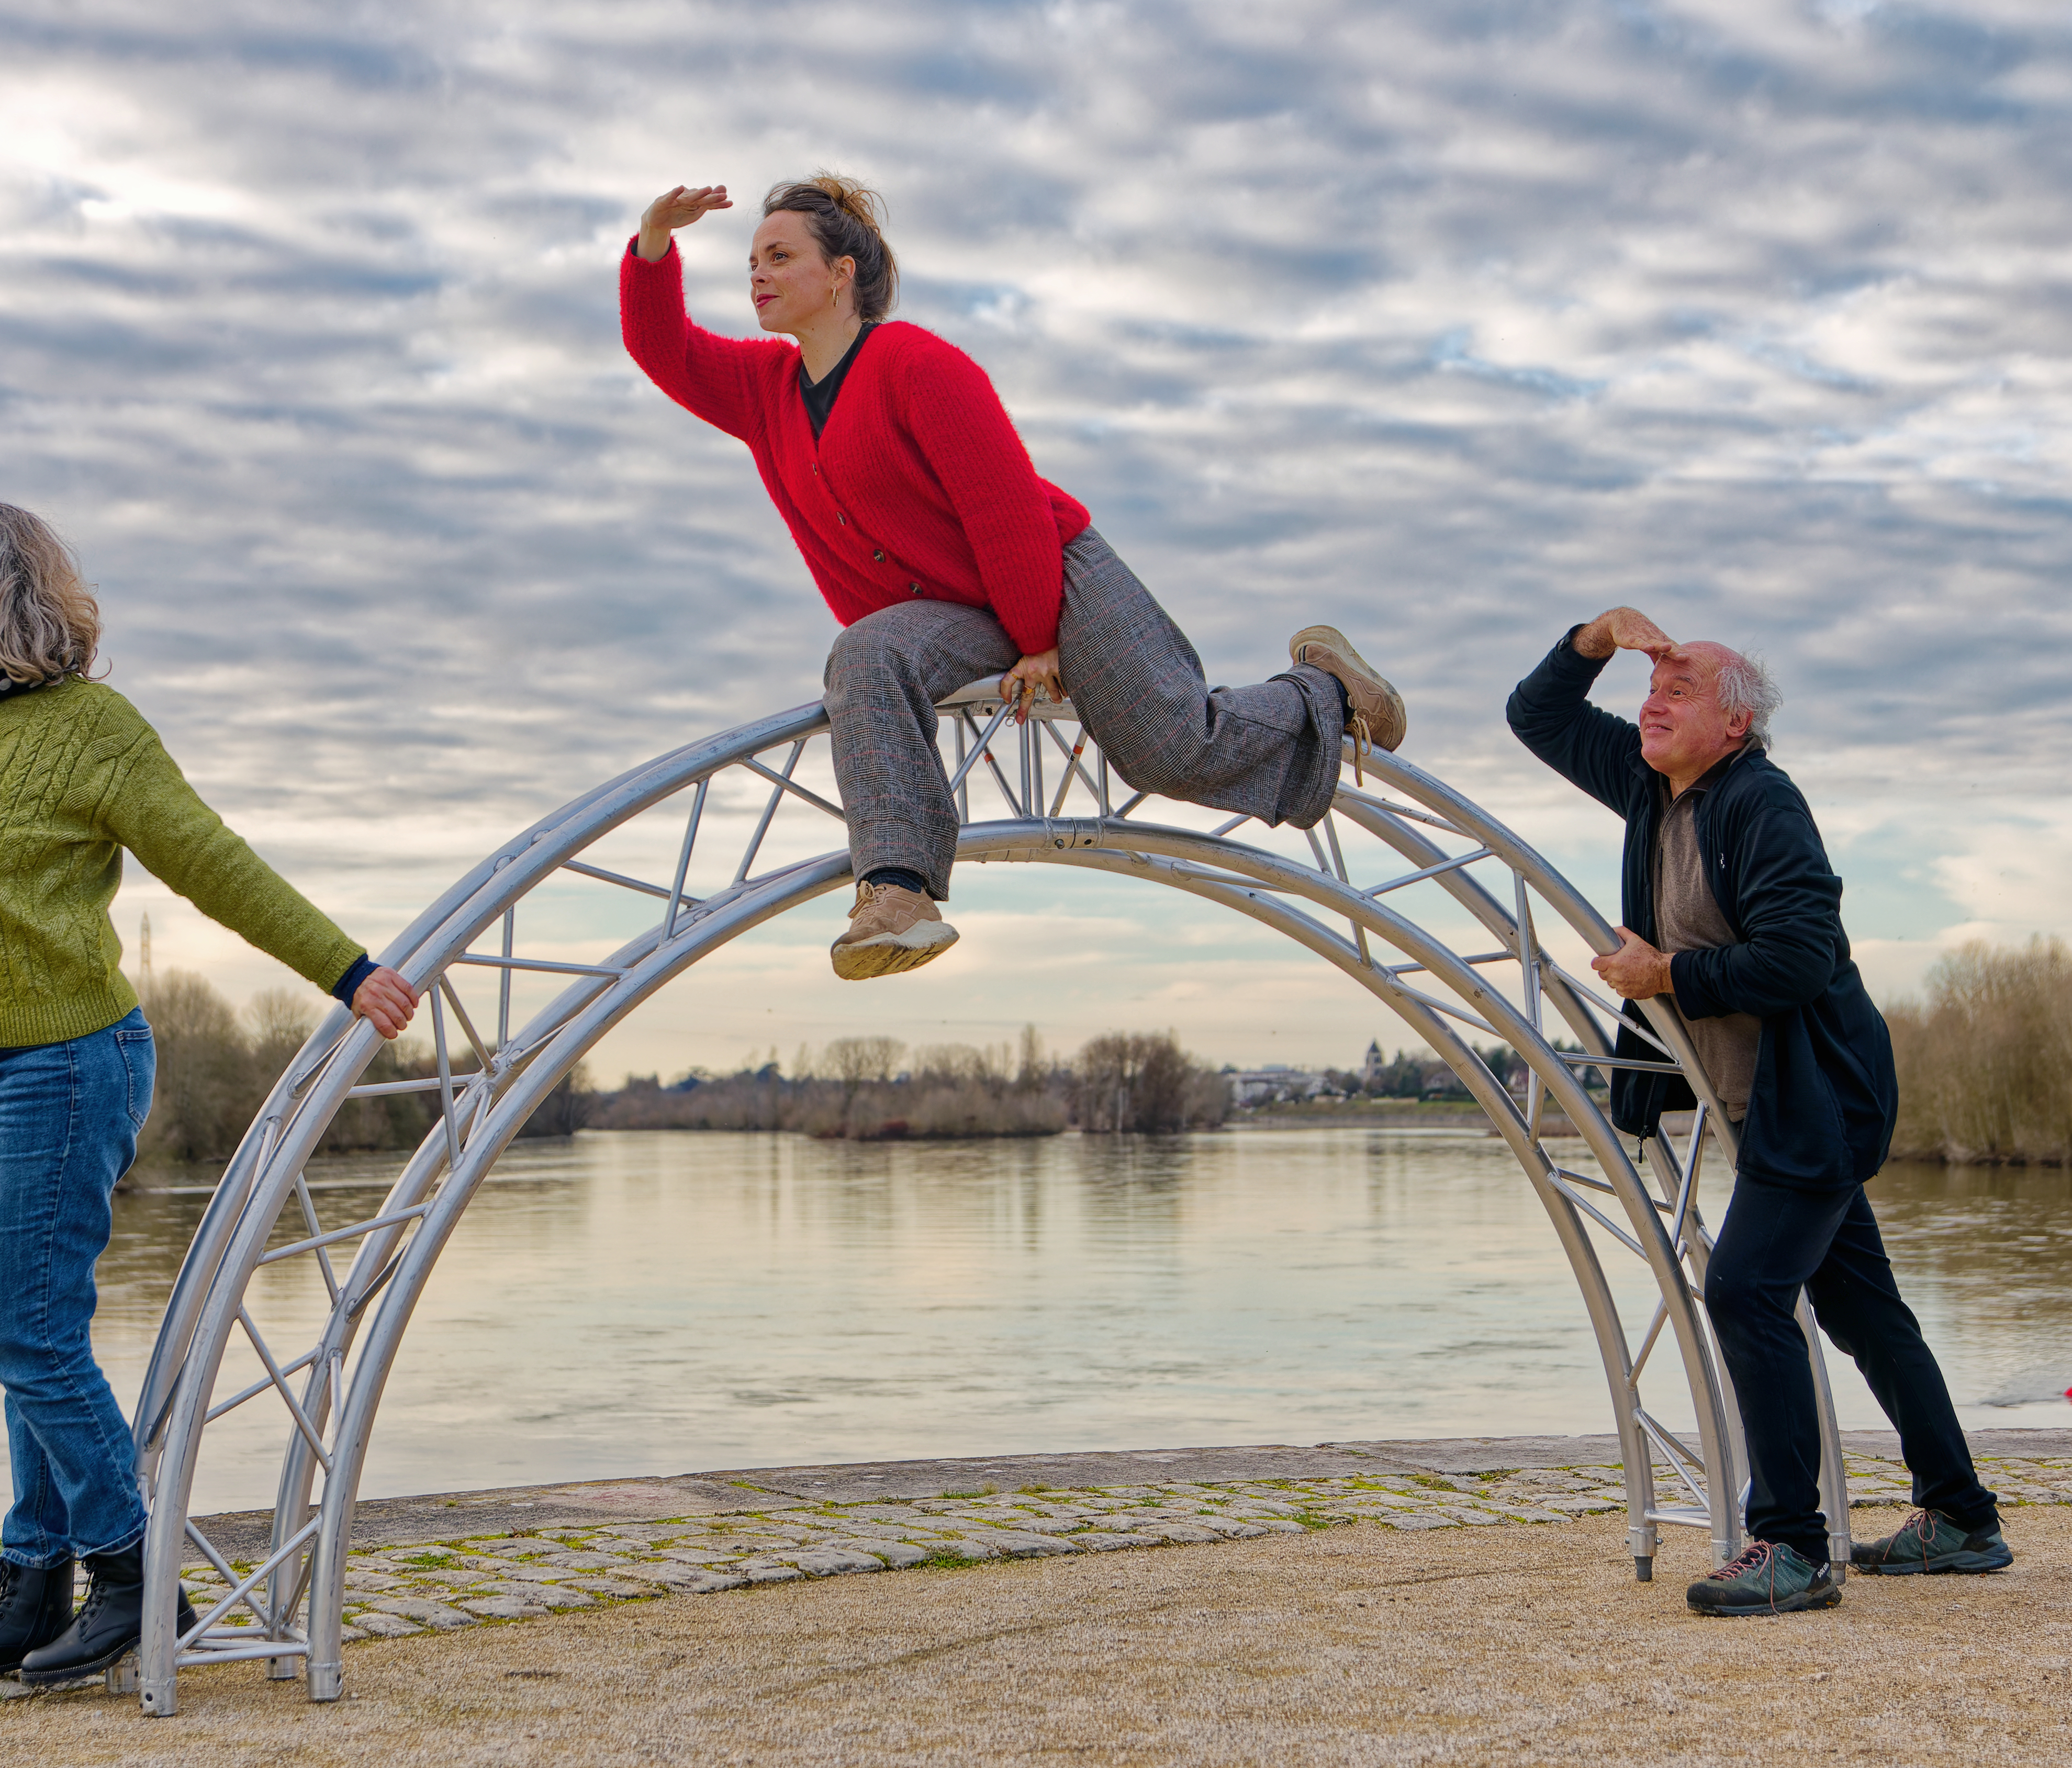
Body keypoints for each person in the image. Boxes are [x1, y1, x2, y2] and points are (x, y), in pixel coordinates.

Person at [0, 501, 419, 1688]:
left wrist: (350, 973)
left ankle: (136, 1571)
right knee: (28, 1338)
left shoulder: (94, 732)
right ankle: (35, 1585)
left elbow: (211, 862)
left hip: (68, 1062)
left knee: (25, 1333)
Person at [620, 176, 1408, 981]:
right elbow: (666, 350)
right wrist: (654, 242)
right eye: (751, 260)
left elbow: (1002, 509)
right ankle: (896, 893)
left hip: (1054, 573)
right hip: (954, 608)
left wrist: (1037, 638)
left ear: (839, 275)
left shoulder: (914, 363)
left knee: (1170, 751)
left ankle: (1325, 691)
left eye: (779, 257)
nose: (756, 274)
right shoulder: (765, 393)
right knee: (865, 654)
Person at [1508, 609, 2009, 1616]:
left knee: (1742, 1292)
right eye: (1652, 688)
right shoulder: (1652, 786)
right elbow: (1537, 716)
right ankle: (1960, 1518)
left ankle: (1789, 1546)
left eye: (1680, 689)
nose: (1651, 701)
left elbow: (1799, 959)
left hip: (1817, 1099)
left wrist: (1668, 972)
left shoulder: (1762, 804)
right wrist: (1596, 641)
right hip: (1767, 1103)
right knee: (1863, 1310)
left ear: (1734, 726)